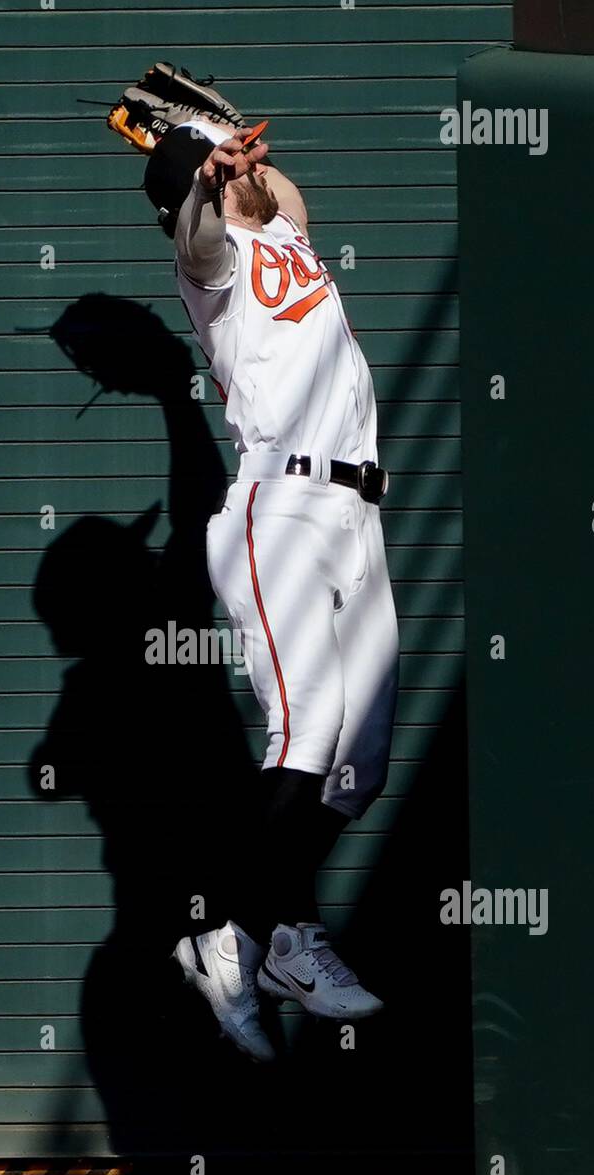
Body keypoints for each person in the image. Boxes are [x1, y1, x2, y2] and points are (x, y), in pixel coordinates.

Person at [144, 122, 400, 1061]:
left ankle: (243, 939)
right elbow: (198, 235)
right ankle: (274, 934)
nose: (249, 176)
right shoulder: (211, 268)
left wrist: (229, 145)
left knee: (358, 763)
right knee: (307, 729)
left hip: (355, 513)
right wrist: (199, 176)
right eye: (222, 176)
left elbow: (283, 199)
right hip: (278, 506)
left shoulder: (284, 234)